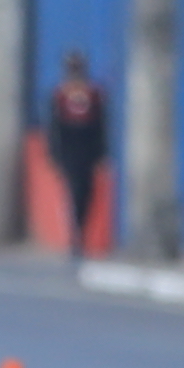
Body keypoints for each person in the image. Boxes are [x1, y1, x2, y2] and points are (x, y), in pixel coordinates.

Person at [41, 50, 111, 253]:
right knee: (73, 190)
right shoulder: (60, 94)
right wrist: (54, 153)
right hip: (68, 148)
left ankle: (82, 229)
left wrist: (102, 152)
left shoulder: (94, 93)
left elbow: (101, 125)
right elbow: (54, 127)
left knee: (87, 193)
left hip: (87, 149)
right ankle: (75, 233)